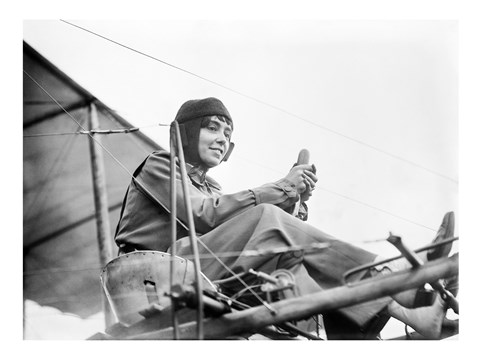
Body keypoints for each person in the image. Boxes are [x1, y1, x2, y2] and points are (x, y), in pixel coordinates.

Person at [114, 97, 456, 339]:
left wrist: (293, 200)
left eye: (227, 134)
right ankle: (389, 272)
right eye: (213, 128)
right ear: (186, 133)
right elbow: (206, 216)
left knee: (289, 259)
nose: (221, 139)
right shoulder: (162, 164)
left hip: (201, 270)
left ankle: (408, 313)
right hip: (154, 275)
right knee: (267, 216)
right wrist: (279, 188)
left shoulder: (212, 184)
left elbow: (241, 225)